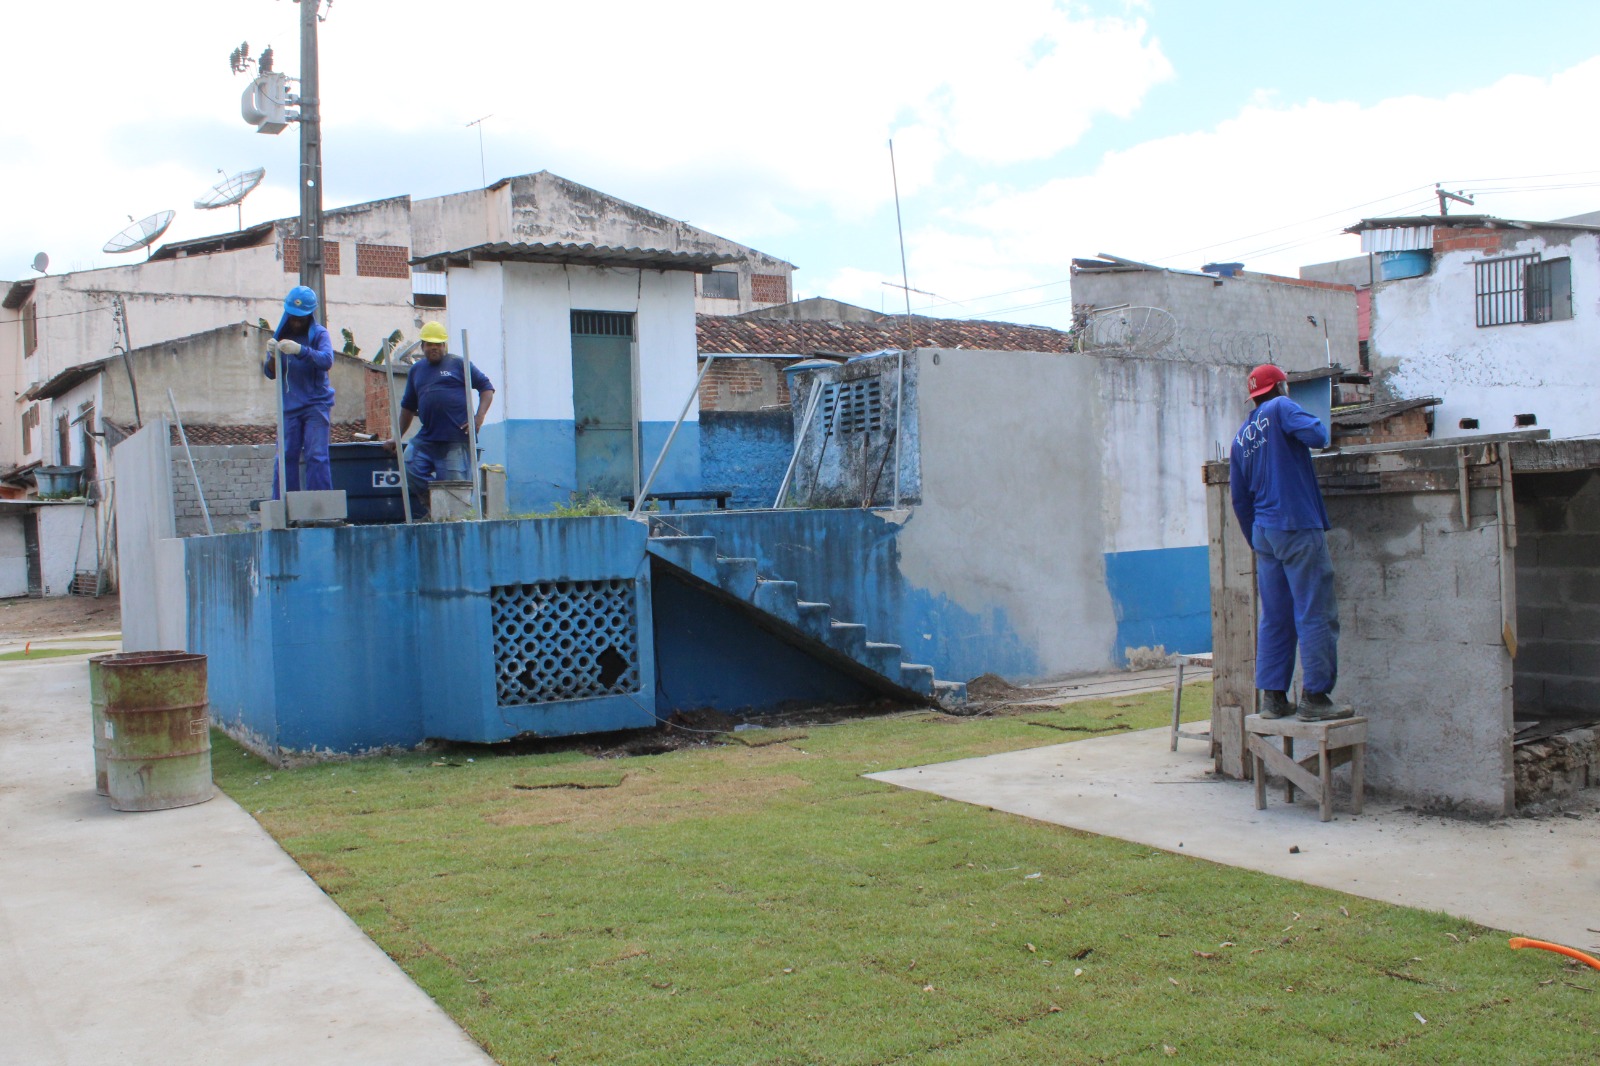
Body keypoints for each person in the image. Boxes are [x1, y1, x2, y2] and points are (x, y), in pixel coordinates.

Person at [1228, 364, 1349, 723]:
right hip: (1295, 523)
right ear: (1281, 387)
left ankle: (1274, 699)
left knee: (1276, 616)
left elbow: (1239, 499)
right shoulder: (1281, 408)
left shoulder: (1241, 437)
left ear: (1253, 396)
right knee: (1315, 611)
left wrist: (1257, 540)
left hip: (1264, 532)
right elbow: (1318, 435)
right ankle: (1315, 697)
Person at [387, 320, 494, 515]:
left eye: (438, 344)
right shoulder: (416, 370)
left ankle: (450, 519)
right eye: (429, 344)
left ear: (444, 345)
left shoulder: (458, 364)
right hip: (427, 437)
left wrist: (478, 418)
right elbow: (408, 407)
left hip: (455, 439)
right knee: (409, 464)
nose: (434, 348)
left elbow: (486, 388)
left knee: (455, 492)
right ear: (423, 346)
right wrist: (397, 437)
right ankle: (434, 506)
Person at [262, 285, 336, 497]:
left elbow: (327, 360)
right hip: (289, 407)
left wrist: (301, 350)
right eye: (293, 317)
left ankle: (320, 506)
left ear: (309, 316)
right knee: (285, 456)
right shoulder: (280, 336)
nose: (296, 322)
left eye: (300, 319)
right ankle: (285, 504)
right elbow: (270, 373)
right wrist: (274, 356)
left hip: (316, 404)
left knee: (316, 455)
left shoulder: (319, 334)